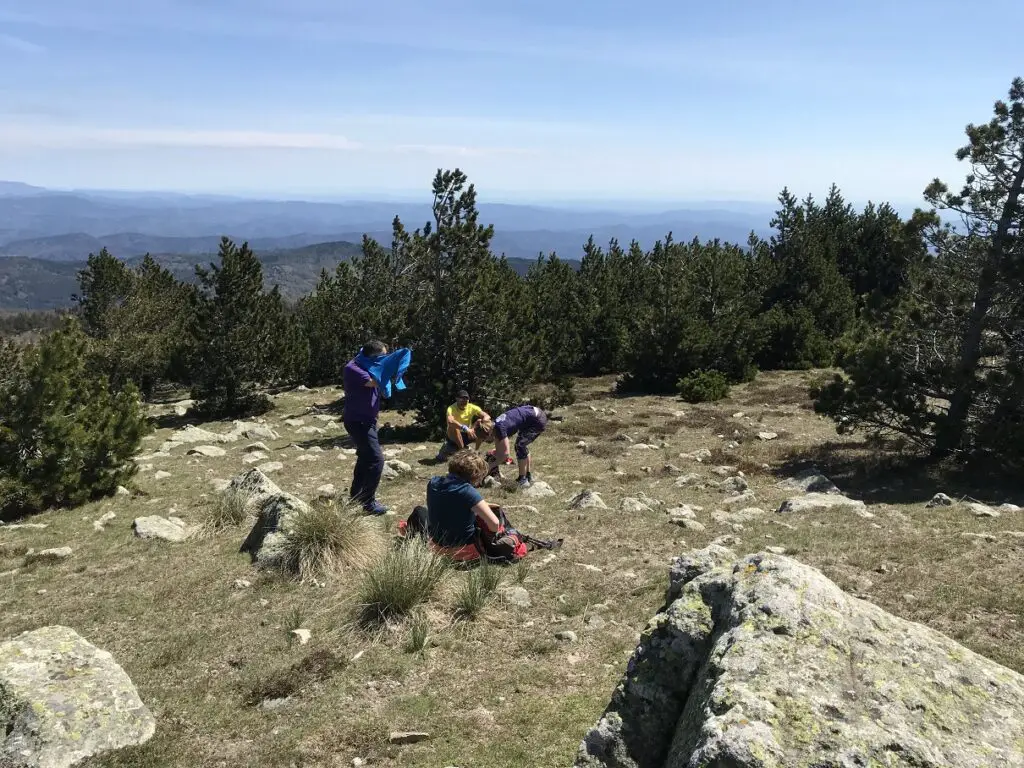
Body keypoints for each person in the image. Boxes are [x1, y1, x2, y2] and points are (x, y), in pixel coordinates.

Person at [342, 339, 412, 515]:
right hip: (358, 422)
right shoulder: (354, 368)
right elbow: (375, 382)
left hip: (366, 420)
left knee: (365, 458)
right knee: (376, 460)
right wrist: (393, 365)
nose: (384, 360)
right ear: (373, 357)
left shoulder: (366, 364)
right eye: (382, 357)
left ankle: (356, 495)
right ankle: (368, 502)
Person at [424, 450, 502, 562]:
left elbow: (448, 503)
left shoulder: (433, 482)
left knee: (420, 511)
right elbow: (494, 523)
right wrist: (492, 536)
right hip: (464, 552)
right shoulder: (466, 491)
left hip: (437, 548)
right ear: (475, 474)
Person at [488, 404, 547, 489]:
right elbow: (499, 450)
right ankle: (528, 475)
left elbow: (505, 455)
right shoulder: (496, 425)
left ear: (489, 433)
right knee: (522, 445)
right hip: (533, 415)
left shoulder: (499, 428)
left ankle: (522, 479)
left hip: (537, 420)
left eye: (485, 439)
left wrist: (490, 466)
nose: (487, 442)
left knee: (520, 446)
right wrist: (493, 456)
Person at [435, 390, 491, 461]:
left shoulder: (472, 407)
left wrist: (483, 421)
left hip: (467, 434)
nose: (464, 400)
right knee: (454, 428)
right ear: (456, 398)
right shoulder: (451, 408)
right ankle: (462, 452)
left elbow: (487, 416)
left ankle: (476, 451)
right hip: (453, 437)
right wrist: (465, 428)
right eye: (462, 398)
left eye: (466, 398)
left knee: (479, 422)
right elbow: (450, 421)